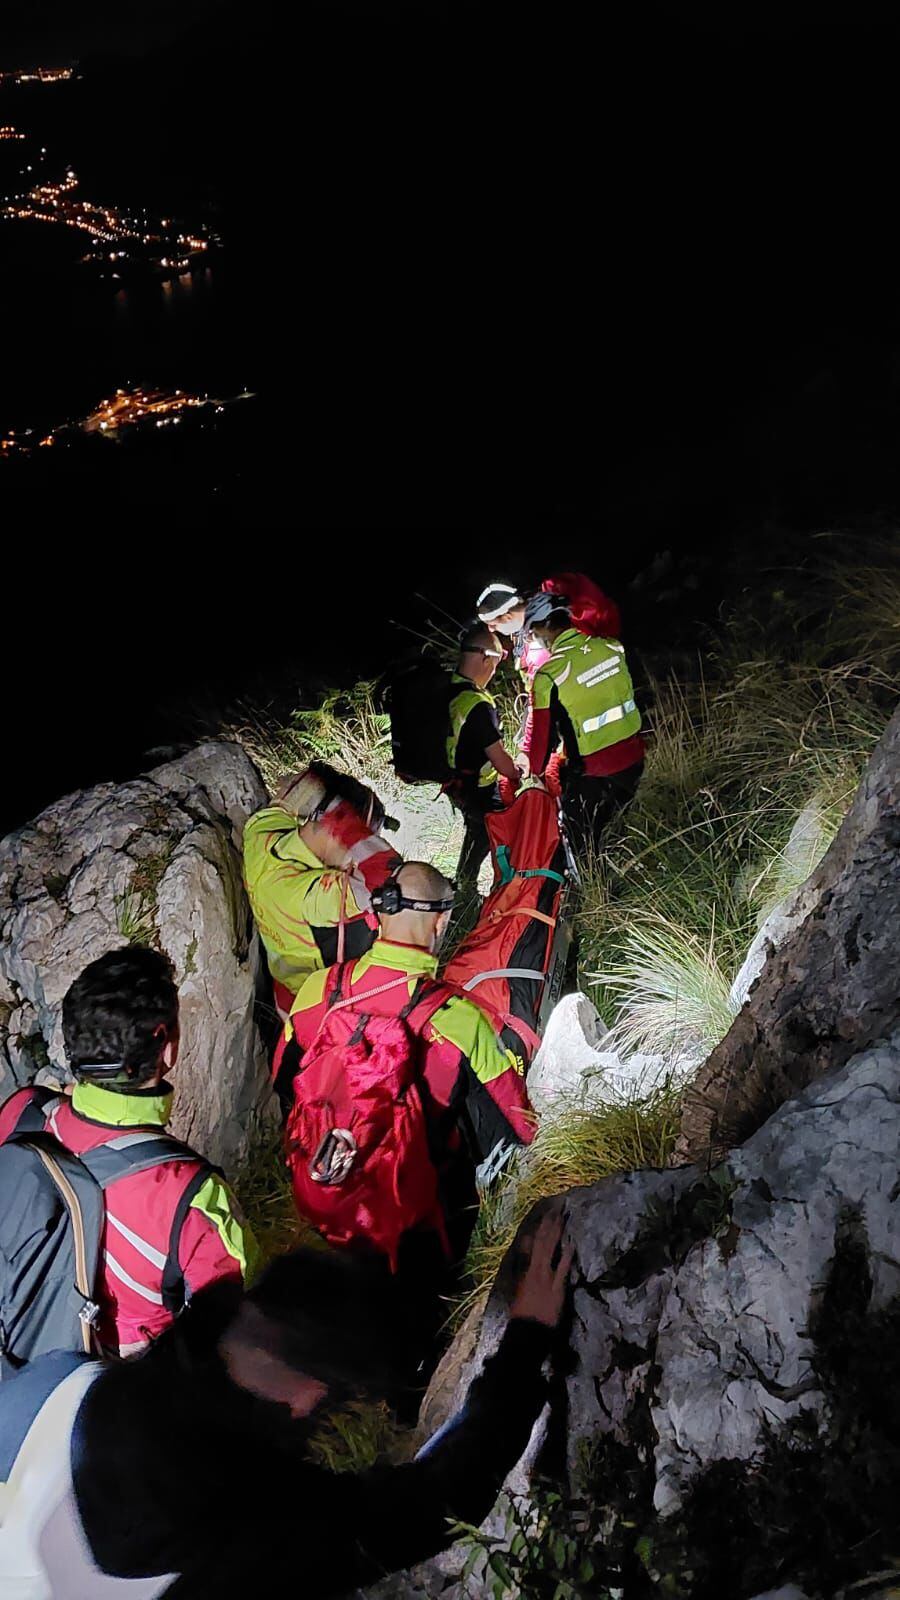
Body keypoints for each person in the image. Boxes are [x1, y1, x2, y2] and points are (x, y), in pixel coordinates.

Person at [0, 1214, 572, 1598]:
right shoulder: (267, 1526)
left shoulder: (61, 1380)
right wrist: (526, 1336)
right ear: (314, 1394)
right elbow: (434, 1501)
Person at [0, 947, 257, 1357]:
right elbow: (239, 1330)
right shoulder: (193, 1198)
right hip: (118, 1384)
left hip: (17, 1354)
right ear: (167, 1047)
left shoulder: (22, 1113)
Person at [243, 761, 401, 1019]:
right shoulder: (311, 897)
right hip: (314, 1010)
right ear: (334, 832)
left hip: (284, 985)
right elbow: (393, 881)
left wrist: (328, 800)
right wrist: (349, 829)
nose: (353, 859)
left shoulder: (262, 832)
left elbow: (289, 798)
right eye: (354, 844)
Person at [520, 587, 644, 858]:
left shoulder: (549, 674)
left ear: (545, 627)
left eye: (534, 633)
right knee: (620, 831)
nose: (536, 640)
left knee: (580, 845)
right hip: (634, 760)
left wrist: (532, 768)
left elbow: (542, 743)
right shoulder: (612, 645)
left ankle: (593, 884)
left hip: (593, 771)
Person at [447, 621, 522, 894]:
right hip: (479, 788)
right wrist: (517, 772)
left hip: (454, 784)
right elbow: (500, 761)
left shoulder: (449, 688)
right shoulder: (478, 704)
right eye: (497, 661)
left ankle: (464, 884)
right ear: (484, 658)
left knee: (477, 830)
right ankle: (503, 889)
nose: (495, 669)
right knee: (504, 831)